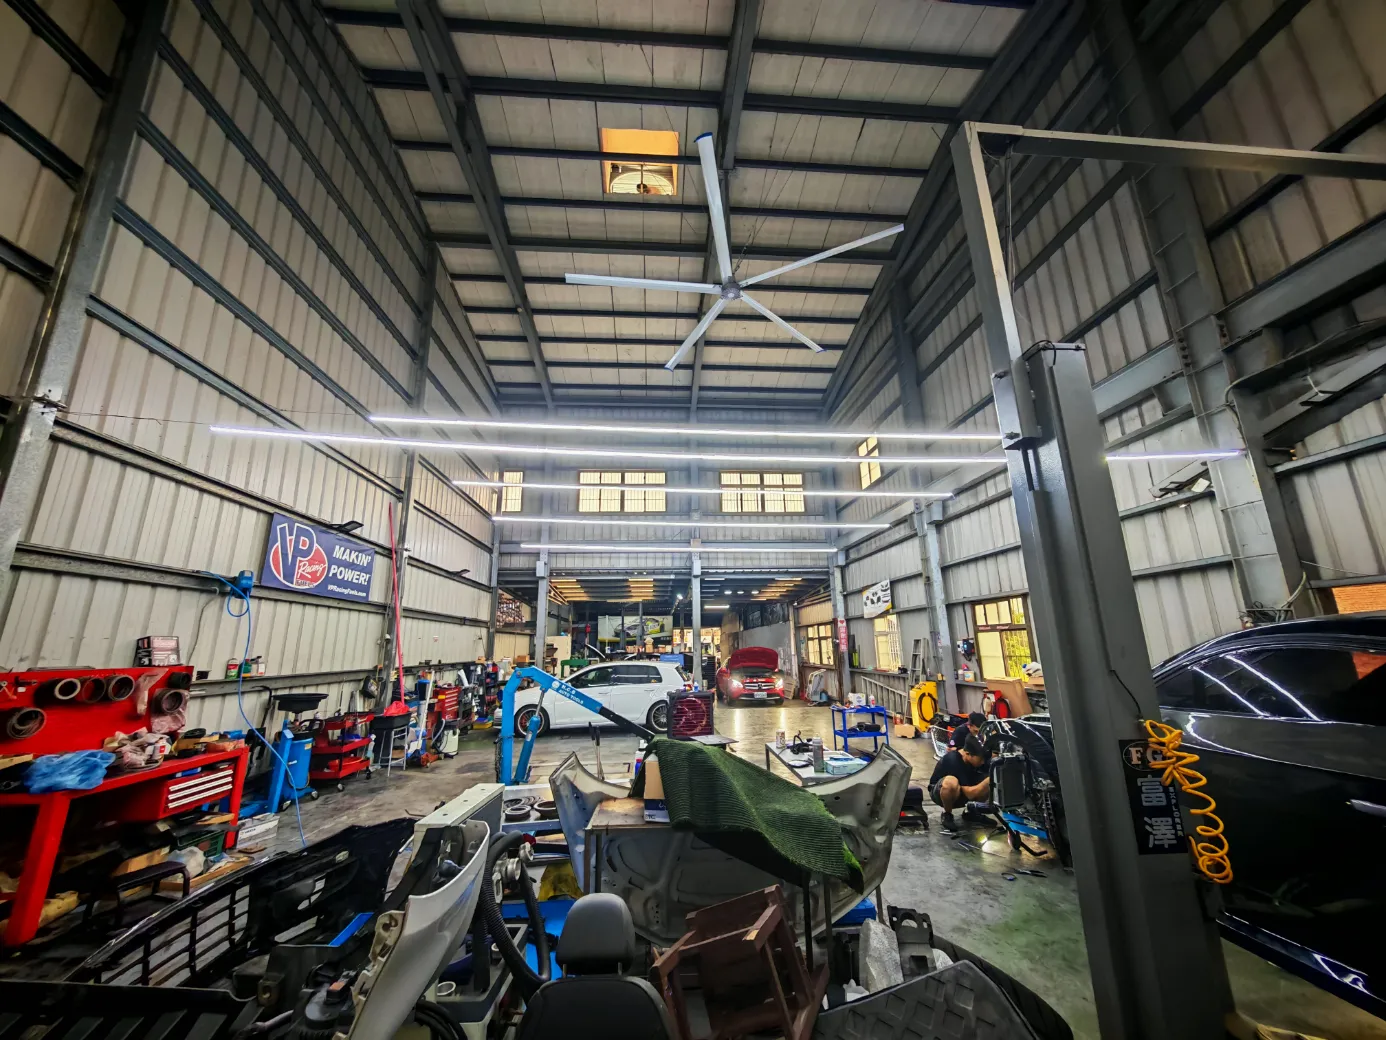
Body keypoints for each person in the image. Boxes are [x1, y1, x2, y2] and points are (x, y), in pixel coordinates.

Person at [929, 735, 990, 832]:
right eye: (981, 759)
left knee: (991, 776)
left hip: (964, 789)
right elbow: (970, 794)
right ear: (968, 754)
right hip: (941, 793)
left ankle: (971, 812)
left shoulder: (977, 757)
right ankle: (947, 814)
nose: (983, 762)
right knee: (950, 782)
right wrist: (989, 781)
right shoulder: (953, 760)